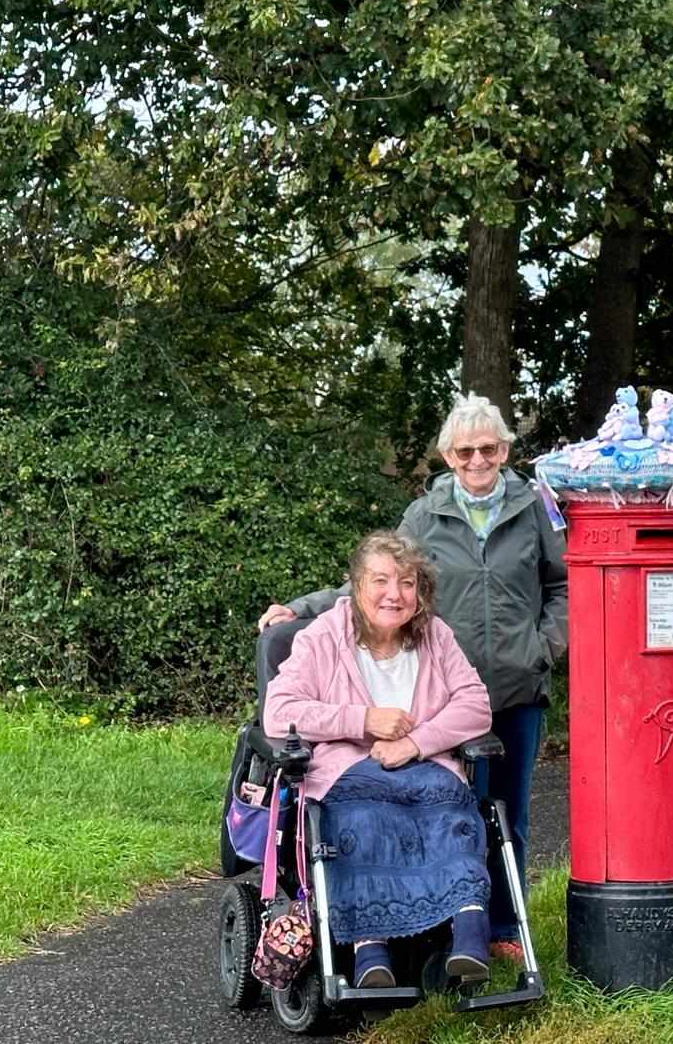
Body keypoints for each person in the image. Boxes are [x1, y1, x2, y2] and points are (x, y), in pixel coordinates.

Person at [257, 392, 567, 962]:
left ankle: (498, 931)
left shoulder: (533, 506)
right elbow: (381, 580)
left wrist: (543, 648)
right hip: (429, 690)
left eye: (490, 448)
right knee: (418, 810)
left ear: (505, 451)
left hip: (511, 688)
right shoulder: (425, 516)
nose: (478, 459)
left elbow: (563, 584)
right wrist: (300, 607)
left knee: (504, 817)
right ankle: (426, 931)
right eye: (466, 450)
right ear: (448, 456)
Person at [263, 531, 495, 987]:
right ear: (356, 585)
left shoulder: (434, 635)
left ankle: (470, 939)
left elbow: (475, 704)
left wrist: (415, 743)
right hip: (349, 772)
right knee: (364, 822)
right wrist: (363, 719)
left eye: (407, 583)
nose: (395, 594)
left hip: (426, 769)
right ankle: (371, 953)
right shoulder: (324, 636)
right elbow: (279, 711)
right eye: (381, 581)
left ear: (420, 591)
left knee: (453, 817)